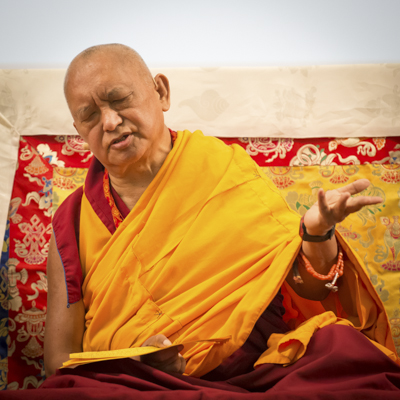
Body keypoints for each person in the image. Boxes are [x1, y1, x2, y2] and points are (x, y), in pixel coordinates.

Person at [34, 43, 400, 398]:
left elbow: (314, 292)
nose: (110, 121)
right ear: (79, 129)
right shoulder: (73, 222)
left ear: (160, 92)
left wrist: (317, 234)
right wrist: (134, 362)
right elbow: (58, 363)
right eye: (90, 115)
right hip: (142, 386)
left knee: (345, 352)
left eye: (119, 99)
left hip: (265, 372)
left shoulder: (225, 171)